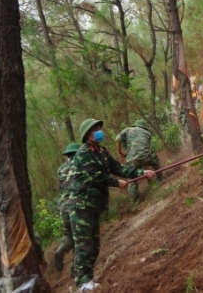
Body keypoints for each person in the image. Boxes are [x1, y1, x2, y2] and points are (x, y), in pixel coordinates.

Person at [69, 119, 155, 292]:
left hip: (94, 204)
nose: (99, 131)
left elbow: (118, 167)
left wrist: (141, 172)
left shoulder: (102, 152)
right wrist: (117, 183)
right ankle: (82, 283)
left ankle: (89, 276)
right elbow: (95, 176)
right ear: (87, 134)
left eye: (99, 128)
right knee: (84, 244)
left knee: (95, 244)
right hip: (81, 205)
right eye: (95, 129)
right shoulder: (83, 153)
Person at [115, 119, 161, 203]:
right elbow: (147, 147)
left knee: (132, 179)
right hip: (146, 158)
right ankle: (160, 180)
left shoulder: (127, 130)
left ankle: (135, 202)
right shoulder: (147, 133)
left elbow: (118, 139)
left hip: (132, 160)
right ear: (144, 126)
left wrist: (120, 152)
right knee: (156, 163)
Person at [54, 142, 80, 274]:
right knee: (79, 237)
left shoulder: (60, 169)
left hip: (63, 205)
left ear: (68, 155)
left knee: (68, 235)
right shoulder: (81, 164)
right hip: (76, 204)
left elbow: (61, 187)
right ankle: (74, 269)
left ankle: (60, 250)